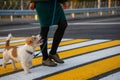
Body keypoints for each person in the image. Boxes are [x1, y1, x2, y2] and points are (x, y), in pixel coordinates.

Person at [29, 0, 68, 66]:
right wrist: (32, 1)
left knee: (63, 24)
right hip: (42, 4)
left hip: (54, 3)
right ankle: (45, 58)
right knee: (45, 29)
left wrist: (63, 1)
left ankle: (53, 52)